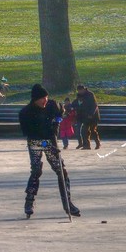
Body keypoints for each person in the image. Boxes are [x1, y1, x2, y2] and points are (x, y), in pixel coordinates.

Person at [19, 84, 79, 218]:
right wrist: (48, 144)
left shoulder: (52, 105)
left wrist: (57, 120)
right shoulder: (26, 113)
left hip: (50, 141)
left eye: (46, 97)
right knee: (36, 170)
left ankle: (67, 202)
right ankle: (29, 201)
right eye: (41, 98)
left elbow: (60, 111)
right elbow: (29, 132)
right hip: (35, 142)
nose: (45, 100)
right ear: (35, 99)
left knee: (61, 170)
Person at [75, 84, 101, 150]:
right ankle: (86, 145)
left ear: (83, 89)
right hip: (85, 116)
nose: (79, 92)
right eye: (78, 91)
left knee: (93, 130)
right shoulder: (79, 95)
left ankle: (98, 143)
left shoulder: (90, 94)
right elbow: (79, 105)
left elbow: (95, 105)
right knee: (84, 131)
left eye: (80, 90)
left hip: (93, 116)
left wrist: (91, 114)